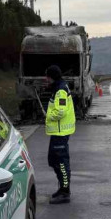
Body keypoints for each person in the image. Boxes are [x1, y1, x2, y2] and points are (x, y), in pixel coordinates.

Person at [44, 65, 75, 204]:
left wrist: (48, 116)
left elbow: (60, 112)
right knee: (53, 160)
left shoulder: (60, 90)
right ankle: (62, 187)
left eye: (47, 77)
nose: (46, 79)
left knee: (61, 161)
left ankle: (65, 191)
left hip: (61, 132)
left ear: (52, 77)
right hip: (57, 131)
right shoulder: (57, 88)